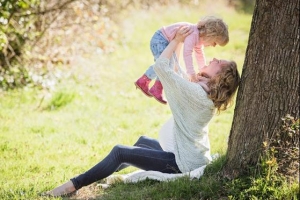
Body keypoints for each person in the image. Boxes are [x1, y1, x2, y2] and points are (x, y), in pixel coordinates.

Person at [42, 26, 240, 197]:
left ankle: (72, 185)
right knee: (142, 142)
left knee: (120, 151)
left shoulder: (196, 94)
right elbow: (178, 71)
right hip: (189, 155)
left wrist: (177, 41)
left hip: (182, 164)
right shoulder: (203, 92)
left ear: (219, 77)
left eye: (219, 62)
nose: (214, 58)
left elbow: (162, 67)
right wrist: (178, 42)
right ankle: (98, 175)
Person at [134, 16, 229, 104]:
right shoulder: (193, 34)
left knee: (166, 65)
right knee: (164, 65)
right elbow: (187, 54)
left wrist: (202, 69)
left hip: (164, 41)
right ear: (211, 35)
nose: (213, 46)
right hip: (160, 40)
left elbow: (199, 54)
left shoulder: (198, 38)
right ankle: (147, 83)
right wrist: (191, 73)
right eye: (215, 43)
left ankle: (155, 87)